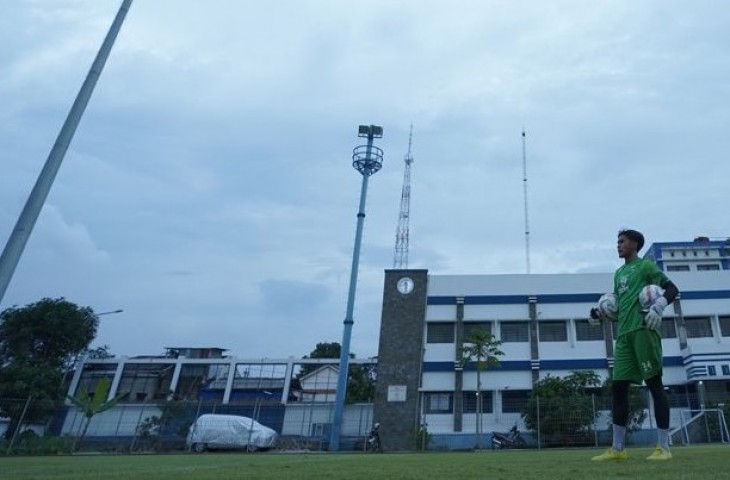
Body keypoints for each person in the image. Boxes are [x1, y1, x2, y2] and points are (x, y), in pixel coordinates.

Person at [590, 229, 679, 462]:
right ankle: (618, 449)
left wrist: (659, 304)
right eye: (617, 242)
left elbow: (672, 289)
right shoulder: (619, 273)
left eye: (622, 242)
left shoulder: (646, 267)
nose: (618, 245)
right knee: (618, 388)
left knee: (654, 385)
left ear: (634, 244)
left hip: (644, 331)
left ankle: (663, 448)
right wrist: (599, 312)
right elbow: (618, 307)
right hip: (624, 336)